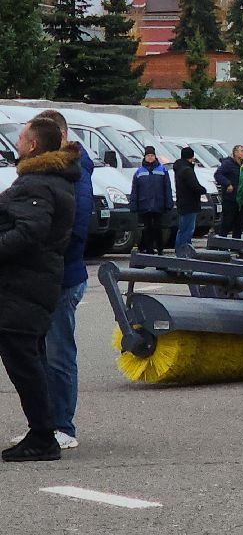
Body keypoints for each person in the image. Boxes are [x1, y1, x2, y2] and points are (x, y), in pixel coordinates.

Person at [0, 117, 79, 462]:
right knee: (28, 359)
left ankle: (43, 435)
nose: (16, 142)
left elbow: (31, 231)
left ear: (33, 145)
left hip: (23, 285)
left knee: (25, 362)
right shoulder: (51, 179)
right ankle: (43, 431)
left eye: (20, 138)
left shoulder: (38, 183)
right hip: (31, 283)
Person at [32, 109, 91, 451]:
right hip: (44, 277)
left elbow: (76, 228)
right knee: (39, 353)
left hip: (63, 276)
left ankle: (62, 425)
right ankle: (43, 425)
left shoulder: (75, 173)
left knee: (58, 354)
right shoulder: (49, 171)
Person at [131, 145, 172, 255]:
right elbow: (135, 190)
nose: (150, 157)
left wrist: (168, 203)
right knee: (147, 228)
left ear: (155, 156)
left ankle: (160, 248)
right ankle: (149, 249)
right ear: (145, 157)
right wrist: (134, 205)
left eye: (152, 155)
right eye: (148, 155)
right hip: (144, 204)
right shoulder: (139, 172)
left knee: (158, 228)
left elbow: (167, 188)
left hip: (159, 204)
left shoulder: (162, 170)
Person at [172, 146, 204, 254]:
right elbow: (194, 186)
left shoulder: (179, 168)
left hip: (182, 202)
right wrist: (203, 190)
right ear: (191, 157)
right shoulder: (187, 170)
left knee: (183, 229)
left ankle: (180, 251)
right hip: (190, 204)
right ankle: (183, 252)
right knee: (187, 230)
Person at [215, 145, 243, 237]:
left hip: (239, 199)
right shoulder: (228, 163)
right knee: (227, 222)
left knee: (239, 224)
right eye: (241, 151)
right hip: (229, 198)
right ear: (235, 152)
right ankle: (222, 244)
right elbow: (218, 174)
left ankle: (236, 244)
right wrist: (227, 183)